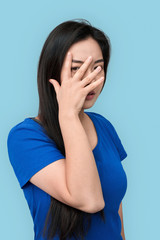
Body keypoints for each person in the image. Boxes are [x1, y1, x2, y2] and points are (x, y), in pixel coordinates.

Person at [7, 19, 128, 240]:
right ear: (52, 73)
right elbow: (90, 200)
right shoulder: (25, 137)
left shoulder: (104, 127)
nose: (91, 79)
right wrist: (69, 114)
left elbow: (115, 213)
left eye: (97, 68)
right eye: (77, 68)